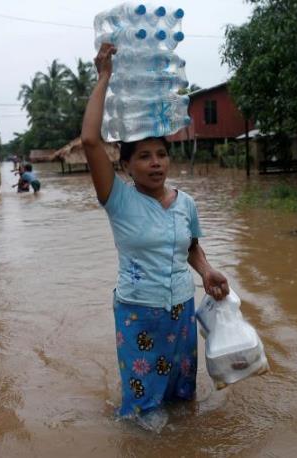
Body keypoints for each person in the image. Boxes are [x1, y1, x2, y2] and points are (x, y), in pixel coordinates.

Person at [80, 43, 229, 429]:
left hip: (181, 311)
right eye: (144, 156)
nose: (155, 163)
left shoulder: (186, 203)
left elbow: (191, 247)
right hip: (138, 314)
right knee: (144, 413)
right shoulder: (118, 199)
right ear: (126, 165)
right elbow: (91, 142)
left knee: (182, 401)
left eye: (161, 154)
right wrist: (104, 78)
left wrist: (207, 271)